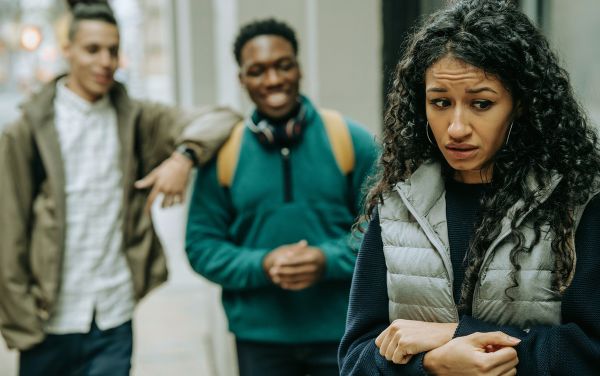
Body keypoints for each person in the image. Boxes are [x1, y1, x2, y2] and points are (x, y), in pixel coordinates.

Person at [338, 0, 600, 375]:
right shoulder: (399, 205)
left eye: (481, 103)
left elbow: (591, 350)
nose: (456, 127)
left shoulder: (576, 204)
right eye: (440, 102)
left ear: (521, 104)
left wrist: (457, 334)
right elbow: (354, 361)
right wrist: (431, 364)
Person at [0, 2, 238, 375]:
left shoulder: (136, 117)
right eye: (93, 50)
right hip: (48, 323)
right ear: (68, 51)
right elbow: (8, 229)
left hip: (113, 317)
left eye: (113, 50)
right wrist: (21, 319)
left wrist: (183, 157)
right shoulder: (27, 129)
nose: (106, 61)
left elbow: (223, 117)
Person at [185, 18, 378, 376]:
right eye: (257, 71)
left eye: (283, 65)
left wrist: (326, 259)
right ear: (242, 79)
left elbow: (384, 232)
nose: (273, 80)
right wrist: (263, 264)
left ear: (299, 68)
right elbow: (200, 246)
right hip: (259, 342)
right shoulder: (224, 154)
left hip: (344, 333)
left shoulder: (350, 140)